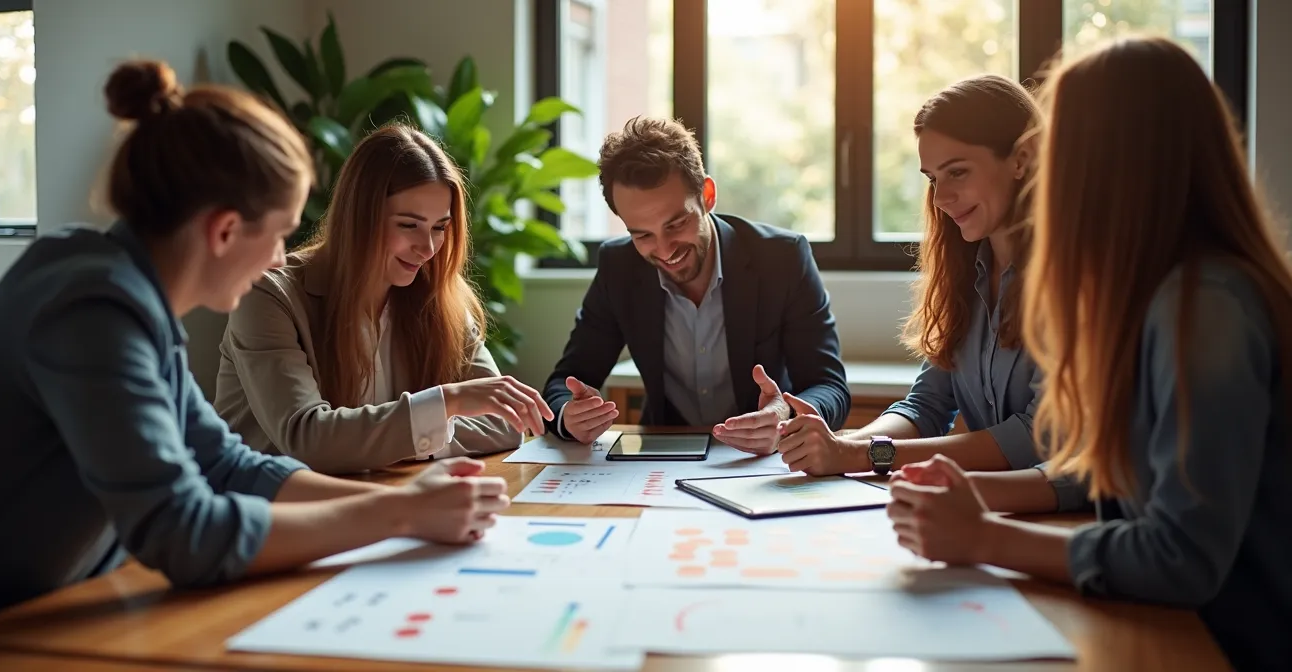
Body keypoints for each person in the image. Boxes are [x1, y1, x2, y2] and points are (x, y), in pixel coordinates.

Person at [0, 61, 509, 615]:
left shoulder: (123, 294)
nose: (282, 257)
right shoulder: (92, 310)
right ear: (225, 231)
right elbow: (182, 532)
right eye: (281, 233)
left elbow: (228, 464)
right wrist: (399, 516)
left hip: (51, 604)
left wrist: (407, 501)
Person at [887, 36, 1292, 671]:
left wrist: (980, 534)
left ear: (1119, 160)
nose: (1045, 177)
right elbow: (1094, 479)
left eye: (1055, 152)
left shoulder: (1205, 306)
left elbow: (1181, 556)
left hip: (1226, 647)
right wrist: (968, 501)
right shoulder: (1152, 292)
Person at [215, 123, 549, 475]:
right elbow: (308, 438)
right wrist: (447, 405)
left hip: (378, 498)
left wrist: (390, 438)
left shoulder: (440, 296)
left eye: (439, 227)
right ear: (360, 218)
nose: (429, 248)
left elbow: (503, 423)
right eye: (409, 225)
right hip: (271, 515)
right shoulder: (269, 296)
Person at [777, 75, 1046, 477]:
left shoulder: (1072, 281)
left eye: (957, 172)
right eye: (933, 178)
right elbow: (926, 406)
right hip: (983, 509)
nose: (940, 198)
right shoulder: (964, 273)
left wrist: (856, 456)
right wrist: (833, 444)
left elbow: (1035, 437)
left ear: (1020, 160)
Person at [542, 116, 850, 453]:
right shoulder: (619, 266)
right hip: (662, 456)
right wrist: (568, 416)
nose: (664, 250)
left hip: (761, 461)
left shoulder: (782, 258)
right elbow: (564, 382)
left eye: (676, 224)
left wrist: (784, 415)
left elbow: (829, 387)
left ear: (707, 195)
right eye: (642, 234)